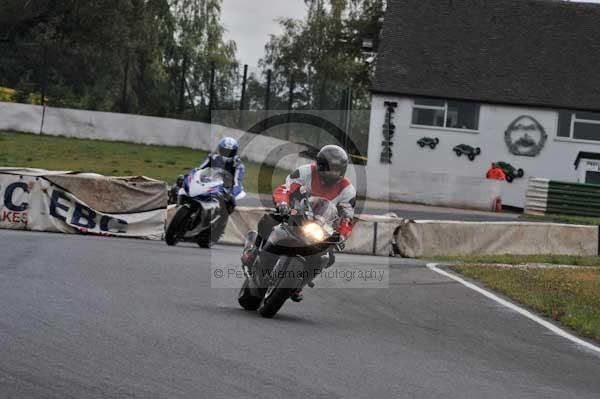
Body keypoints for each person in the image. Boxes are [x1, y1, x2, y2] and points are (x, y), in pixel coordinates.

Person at [242, 144, 356, 302]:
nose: (334, 173)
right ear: (321, 165)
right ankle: (253, 250)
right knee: (269, 220)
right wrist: (282, 204)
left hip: (320, 227)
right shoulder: (305, 172)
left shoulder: (347, 190)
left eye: (338, 170)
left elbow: (347, 218)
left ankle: (299, 283)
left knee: (328, 257)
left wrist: (342, 235)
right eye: (331, 168)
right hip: (295, 213)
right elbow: (286, 189)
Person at [199, 137, 245, 213]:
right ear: (220, 149)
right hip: (209, 182)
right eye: (224, 151)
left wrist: (232, 194)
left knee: (231, 204)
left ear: (234, 153)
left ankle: (219, 220)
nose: (227, 154)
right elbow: (199, 169)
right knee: (182, 181)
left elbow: (238, 182)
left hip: (225, 189)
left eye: (230, 152)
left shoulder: (237, 164)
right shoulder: (213, 157)